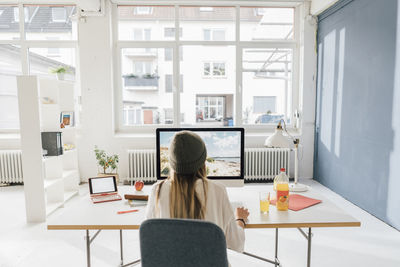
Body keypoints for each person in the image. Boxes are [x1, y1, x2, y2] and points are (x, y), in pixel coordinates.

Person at [146, 130, 249, 252]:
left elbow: (150, 240)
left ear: (172, 163)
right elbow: (236, 245)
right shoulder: (218, 190)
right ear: (202, 162)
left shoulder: (157, 190)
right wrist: (240, 220)